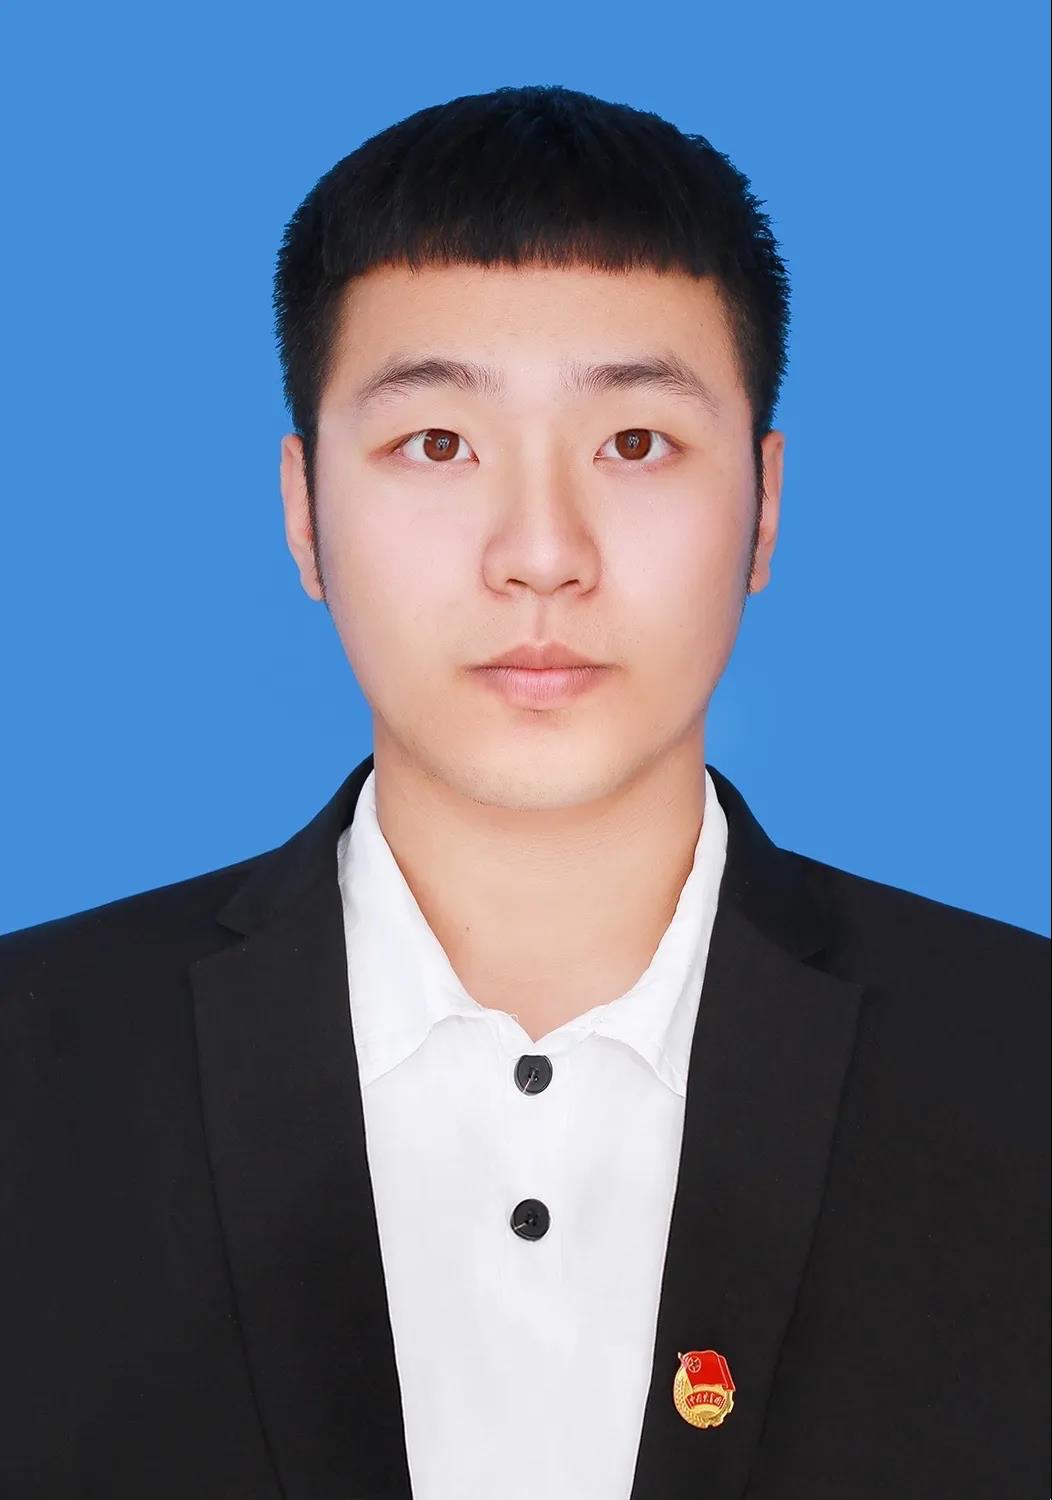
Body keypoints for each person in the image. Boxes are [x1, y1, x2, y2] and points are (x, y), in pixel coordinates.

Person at [1, 83, 1047, 1500]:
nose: (542, 552)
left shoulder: (1020, 1064)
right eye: (437, 444)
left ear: (765, 506)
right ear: (304, 511)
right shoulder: (33, 1071)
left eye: (635, 444)